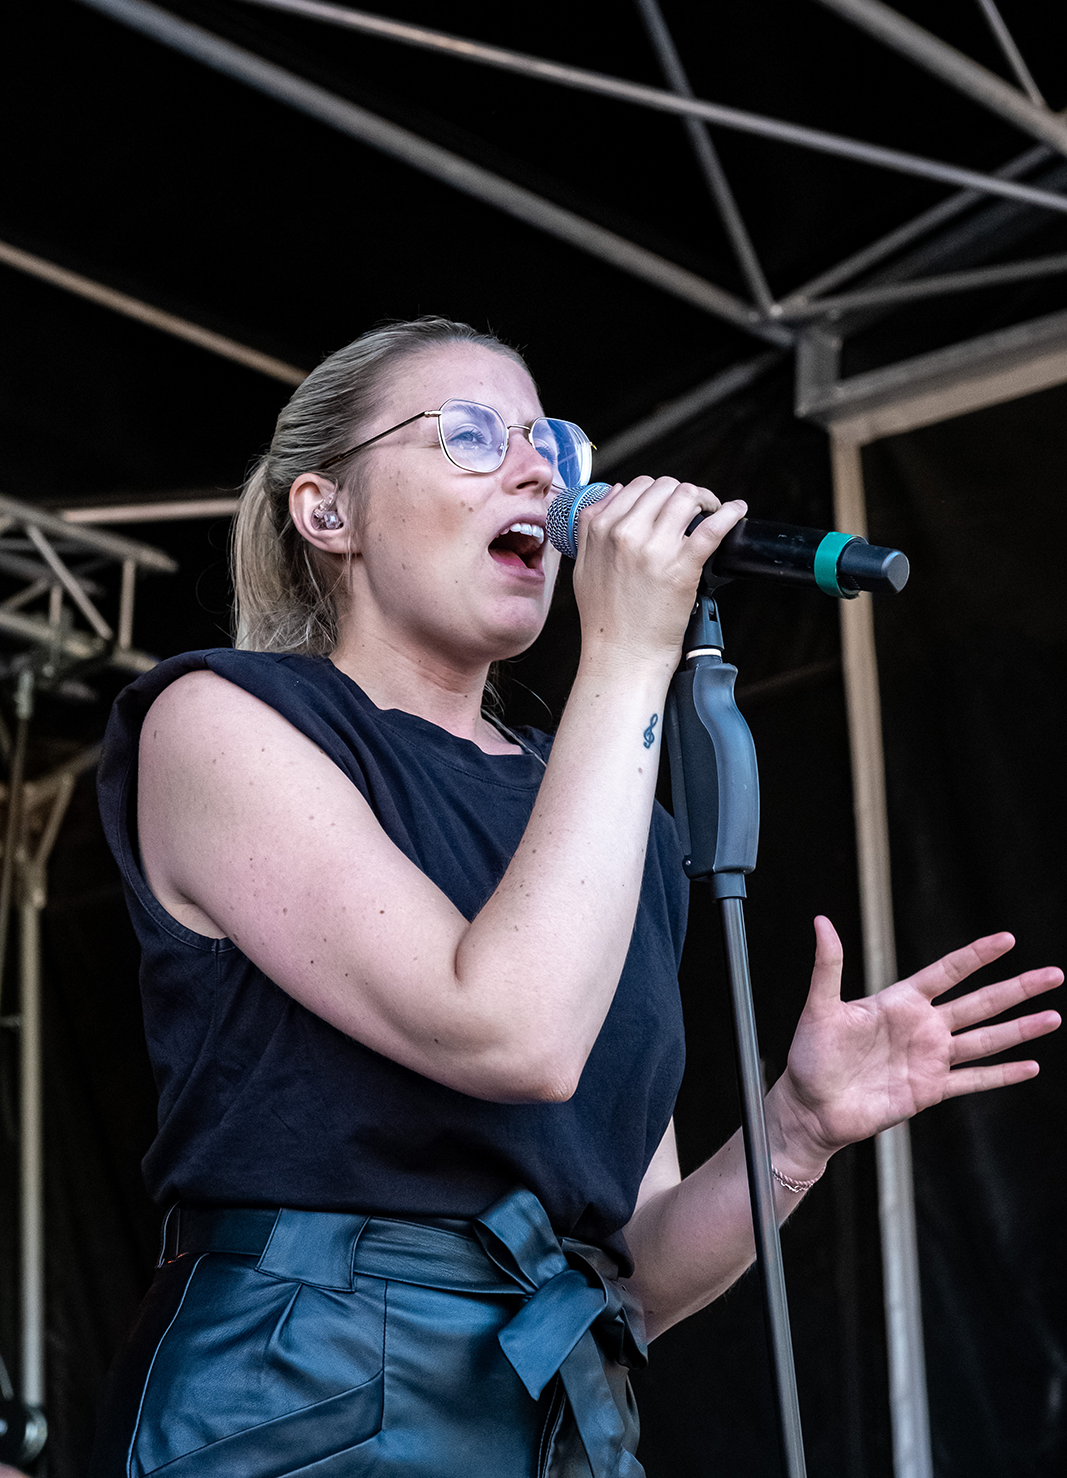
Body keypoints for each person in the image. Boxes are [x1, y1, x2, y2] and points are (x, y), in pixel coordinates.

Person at [90, 317, 1061, 1478]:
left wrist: (794, 1130)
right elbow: (509, 1031)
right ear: (326, 511)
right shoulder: (219, 720)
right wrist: (628, 654)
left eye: (551, 442)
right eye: (470, 435)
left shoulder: (602, 813)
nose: (538, 473)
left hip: (544, 1407)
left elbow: (636, 1264)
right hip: (300, 1394)